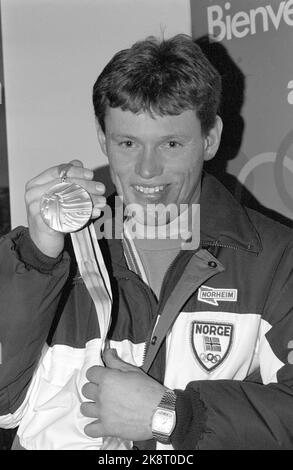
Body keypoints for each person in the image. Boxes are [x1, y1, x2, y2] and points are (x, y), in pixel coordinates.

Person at [1, 34, 293, 451]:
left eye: (171, 144)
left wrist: (173, 415)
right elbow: (4, 405)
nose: (147, 170)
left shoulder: (276, 258)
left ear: (210, 138)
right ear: (103, 139)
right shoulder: (54, 252)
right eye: (128, 144)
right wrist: (36, 257)